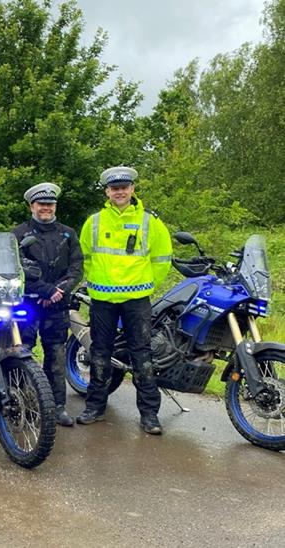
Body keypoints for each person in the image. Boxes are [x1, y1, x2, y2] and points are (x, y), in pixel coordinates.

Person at [76, 166, 172, 434]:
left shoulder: (149, 222)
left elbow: (163, 259)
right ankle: (95, 407)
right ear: (107, 191)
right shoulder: (94, 221)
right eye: (114, 188)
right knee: (100, 353)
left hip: (136, 300)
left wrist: (144, 282)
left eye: (124, 187)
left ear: (132, 189)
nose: (119, 191)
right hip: (103, 300)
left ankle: (150, 414)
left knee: (142, 355)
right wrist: (95, 281)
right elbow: (84, 257)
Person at [13, 183, 83, 427]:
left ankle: (57, 407)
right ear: (32, 206)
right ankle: (21, 402)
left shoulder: (68, 233)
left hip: (57, 305)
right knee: (22, 353)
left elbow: (77, 267)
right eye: (41, 204)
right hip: (28, 303)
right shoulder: (18, 234)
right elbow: (16, 267)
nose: (46, 208)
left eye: (50, 204)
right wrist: (45, 289)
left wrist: (60, 290)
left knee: (56, 354)